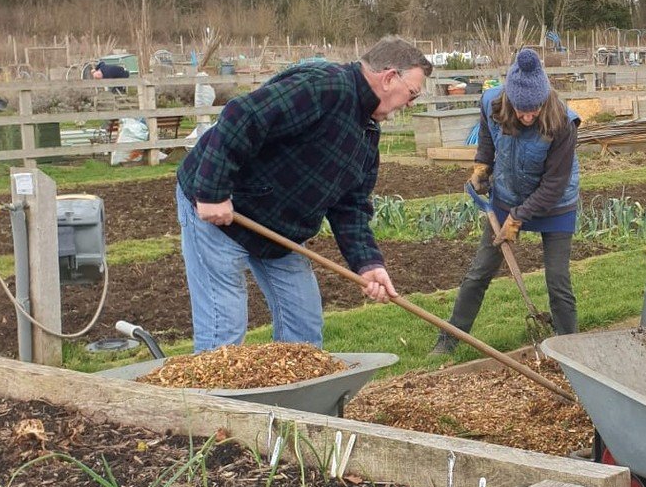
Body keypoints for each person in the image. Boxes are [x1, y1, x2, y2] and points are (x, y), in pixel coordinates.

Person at [175, 36, 430, 352]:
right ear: (390, 77)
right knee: (222, 337)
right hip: (221, 216)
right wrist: (213, 191)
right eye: (412, 94)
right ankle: (210, 403)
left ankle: (292, 400)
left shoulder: (366, 132)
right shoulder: (323, 87)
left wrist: (368, 263)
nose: (410, 104)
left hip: (280, 231)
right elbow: (243, 115)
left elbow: (350, 204)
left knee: (304, 333)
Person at [431, 47, 579, 355]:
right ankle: (449, 340)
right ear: (510, 101)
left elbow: (553, 185)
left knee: (558, 281)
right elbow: (487, 135)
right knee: (479, 272)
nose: (527, 117)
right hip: (507, 195)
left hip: (555, 204)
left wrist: (518, 217)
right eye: (521, 111)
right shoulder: (492, 102)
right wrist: (482, 165)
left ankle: (570, 348)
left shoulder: (563, 122)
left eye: (534, 110)